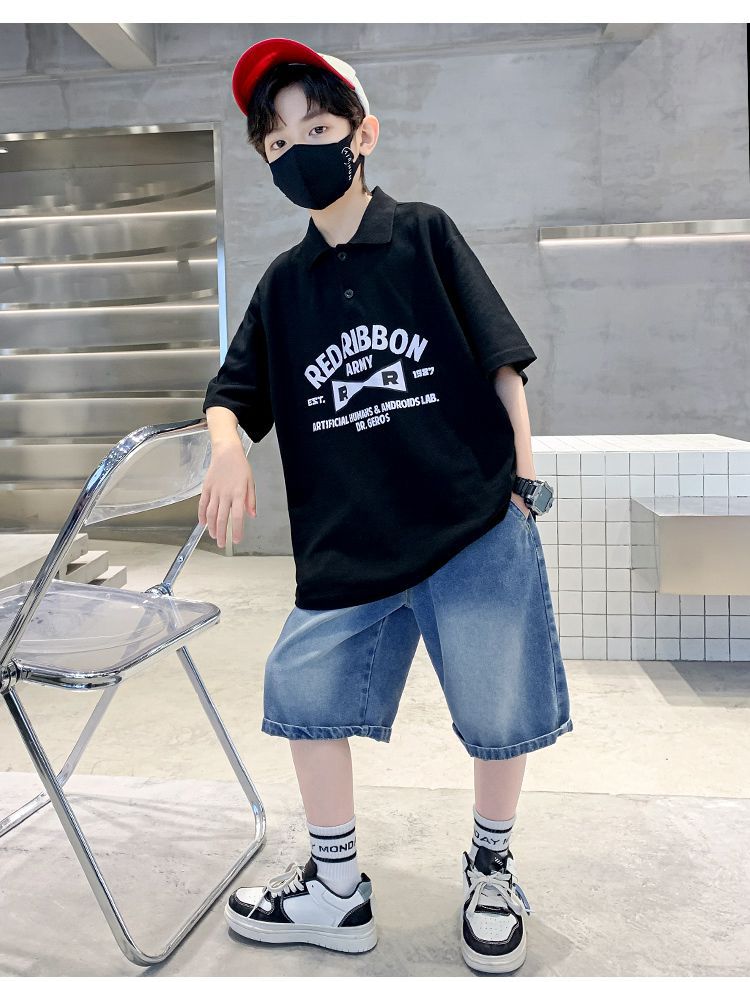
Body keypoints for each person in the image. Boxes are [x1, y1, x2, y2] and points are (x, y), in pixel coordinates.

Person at [199, 36, 573, 973]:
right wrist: (226, 447)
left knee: (496, 706)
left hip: (469, 521)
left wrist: (523, 490)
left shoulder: (425, 235)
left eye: (317, 130)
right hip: (351, 543)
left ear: (364, 134)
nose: (298, 153)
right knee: (302, 692)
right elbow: (231, 393)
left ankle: (491, 870)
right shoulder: (284, 286)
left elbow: (502, 363)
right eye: (278, 143)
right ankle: (336, 890)